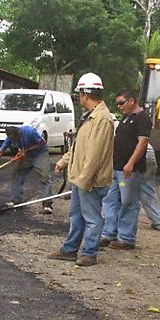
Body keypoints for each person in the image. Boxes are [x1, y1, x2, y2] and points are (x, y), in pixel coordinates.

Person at [47, 73, 114, 267]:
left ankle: (89, 253)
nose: (79, 98)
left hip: (91, 181)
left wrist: (84, 180)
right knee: (76, 216)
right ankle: (69, 249)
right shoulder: (89, 117)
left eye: (80, 94)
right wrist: (64, 161)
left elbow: (94, 155)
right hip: (80, 177)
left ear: (86, 94)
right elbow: (78, 146)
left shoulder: (102, 119)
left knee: (92, 218)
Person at [100, 89, 151, 250]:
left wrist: (131, 163)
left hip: (129, 170)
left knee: (128, 202)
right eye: (117, 104)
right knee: (111, 201)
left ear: (131, 101)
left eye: (121, 103)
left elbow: (142, 142)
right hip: (116, 168)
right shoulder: (125, 118)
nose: (119, 106)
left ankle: (126, 237)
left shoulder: (142, 118)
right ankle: (109, 233)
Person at [0, 125, 52, 214]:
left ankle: (47, 205)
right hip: (27, 156)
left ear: (19, 133)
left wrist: (27, 149)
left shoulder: (29, 132)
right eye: (12, 140)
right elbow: (0, 152)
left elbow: (42, 143)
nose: (14, 141)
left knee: (45, 177)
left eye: (15, 139)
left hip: (40, 154)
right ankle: (16, 199)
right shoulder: (10, 138)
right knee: (16, 173)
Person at [141, 143, 160, 231]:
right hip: (149, 151)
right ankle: (158, 221)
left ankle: (113, 225)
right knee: (147, 189)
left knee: (121, 189)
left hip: (135, 153)